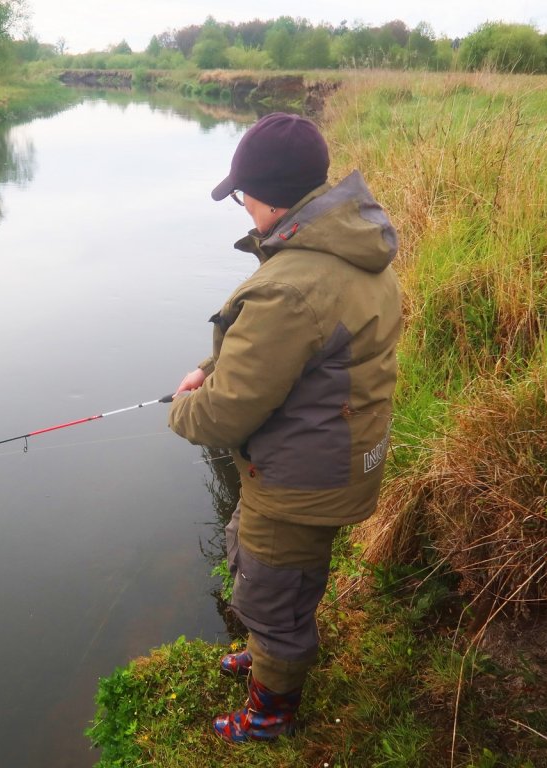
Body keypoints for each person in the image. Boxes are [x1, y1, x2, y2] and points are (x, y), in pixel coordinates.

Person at [168, 112, 401, 743]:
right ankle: (268, 650)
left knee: (275, 595)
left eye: (242, 196)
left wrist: (184, 406)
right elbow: (299, 351)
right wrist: (212, 367)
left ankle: (270, 713)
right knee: (255, 554)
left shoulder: (291, 286)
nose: (243, 209)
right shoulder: (354, 247)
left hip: (304, 476)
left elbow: (226, 413)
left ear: (267, 196)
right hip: (328, 455)